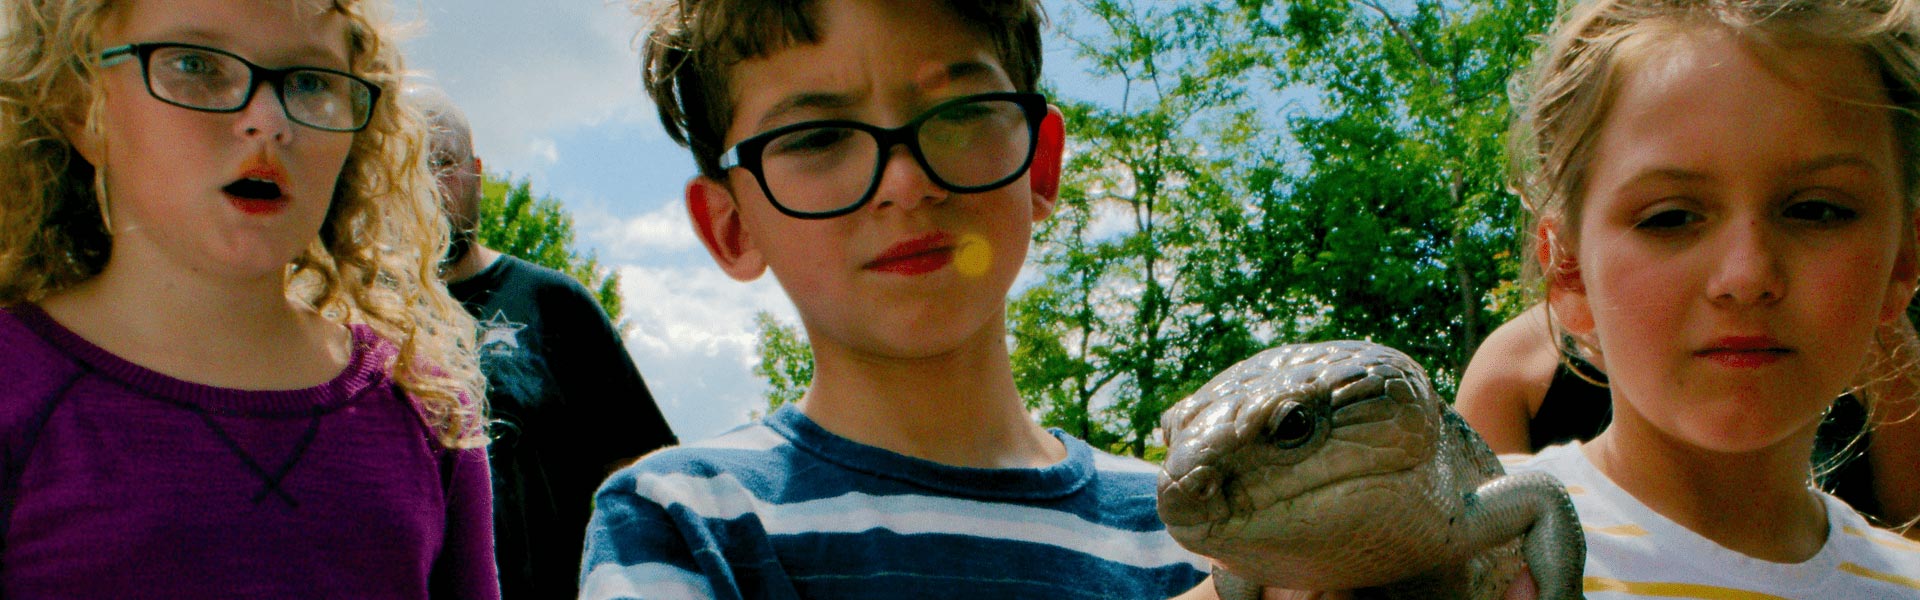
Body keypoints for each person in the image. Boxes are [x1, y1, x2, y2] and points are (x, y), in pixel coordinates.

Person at [577, 0, 1240, 598]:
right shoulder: (677, 520)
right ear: (733, 226)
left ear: (1039, 164)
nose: (907, 181)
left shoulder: (1207, 533)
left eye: (959, 114)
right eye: (816, 138)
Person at [0, 1, 498, 597]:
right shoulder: (15, 385)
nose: (268, 119)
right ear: (82, 109)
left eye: (310, 82)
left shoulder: (426, 408)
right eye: (195, 65)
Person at [1498, 0, 1920, 595]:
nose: (1746, 275)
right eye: (1669, 218)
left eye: (1818, 210)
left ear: (1903, 259)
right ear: (1569, 271)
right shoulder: (1457, 556)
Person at [408, 86, 679, 599]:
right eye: (408, 167)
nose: (428, 185)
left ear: (477, 173)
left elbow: (647, 475)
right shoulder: (359, 321)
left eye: (442, 162)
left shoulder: (552, 302)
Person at [1457, 304, 1920, 534]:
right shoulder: (1513, 367)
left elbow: (1912, 534)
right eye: (1668, 217)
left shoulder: (1875, 338)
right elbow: (1480, 567)